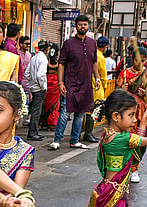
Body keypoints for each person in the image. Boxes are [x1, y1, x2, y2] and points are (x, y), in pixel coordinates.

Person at [48, 15, 100, 151]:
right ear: (76, 26)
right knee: (65, 112)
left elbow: (94, 62)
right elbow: (61, 64)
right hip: (70, 83)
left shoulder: (92, 43)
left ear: (88, 26)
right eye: (80, 24)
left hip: (86, 84)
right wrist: (60, 83)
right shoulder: (69, 43)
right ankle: (57, 140)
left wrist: (98, 78)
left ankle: (75, 140)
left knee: (80, 113)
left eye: (85, 24)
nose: (82, 27)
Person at [116, 46, 147, 183]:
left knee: (140, 141)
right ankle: (123, 167)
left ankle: (135, 169)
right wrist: (122, 89)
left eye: (143, 61)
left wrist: (146, 94)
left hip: (141, 112)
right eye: (138, 61)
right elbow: (116, 92)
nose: (141, 64)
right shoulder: (124, 74)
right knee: (126, 139)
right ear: (132, 59)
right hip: (127, 111)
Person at [83, 35, 109, 144]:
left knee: (87, 110)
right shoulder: (100, 57)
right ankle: (88, 133)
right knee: (93, 110)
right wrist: (104, 85)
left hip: (87, 84)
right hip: (96, 86)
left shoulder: (91, 54)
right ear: (105, 46)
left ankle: (87, 132)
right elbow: (102, 74)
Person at [25, 39, 49, 141]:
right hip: (39, 89)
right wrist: (43, 87)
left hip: (34, 87)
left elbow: (27, 73)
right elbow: (40, 75)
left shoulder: (34, 57)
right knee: (36, 111)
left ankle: (33, 132)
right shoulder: (43, 59)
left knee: (35, 110)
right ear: (47, 49)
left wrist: (32, 82)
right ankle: (33, 133)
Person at [40, 43, 60, 131]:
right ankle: (52, 123)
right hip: (55, 83)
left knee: (46, 102)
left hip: (47, 81)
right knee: (55, 104)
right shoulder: (59, 62)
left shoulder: (46, 60)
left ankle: (43, 122)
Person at [18, 35, 32, 105]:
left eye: (29, 44)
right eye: (26, 44)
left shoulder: (29, 55)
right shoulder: (17, 54)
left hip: (27, 83)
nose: (28, 46)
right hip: (19, 82)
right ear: (21, 44)